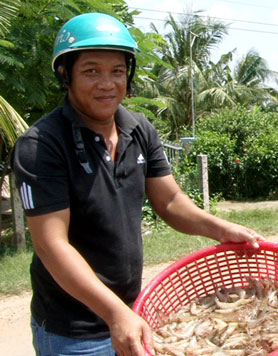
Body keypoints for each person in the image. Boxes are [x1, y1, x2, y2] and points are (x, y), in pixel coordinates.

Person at [11, 13, 263, 356]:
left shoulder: (138, 128)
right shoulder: (41, 144)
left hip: (132, 313)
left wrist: (221, 229)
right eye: (91, 71)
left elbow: (170, 201)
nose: (107, 83)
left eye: (117, 71)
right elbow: (51, 246)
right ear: (65, 74)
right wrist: (115, 313)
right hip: (74, 332)